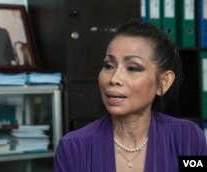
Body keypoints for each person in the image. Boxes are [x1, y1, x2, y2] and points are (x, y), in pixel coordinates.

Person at [54, 19, 207, 172]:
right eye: (109, 66)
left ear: (163, 82)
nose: (114, 79)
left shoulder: (187, 138)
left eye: (133, 68)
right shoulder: (73, 148)